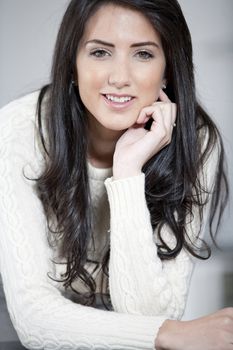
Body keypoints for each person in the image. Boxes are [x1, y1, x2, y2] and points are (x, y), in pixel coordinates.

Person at [0, 0, 232, 349]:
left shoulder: (194, 141)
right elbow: (34, 319)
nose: (120, 78)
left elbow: (149, 316)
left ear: (167, 69)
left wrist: (126, 173)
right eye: (100, 53)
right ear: (73, 64)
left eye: (143, 54)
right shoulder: (17, 131)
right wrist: (170, 332)